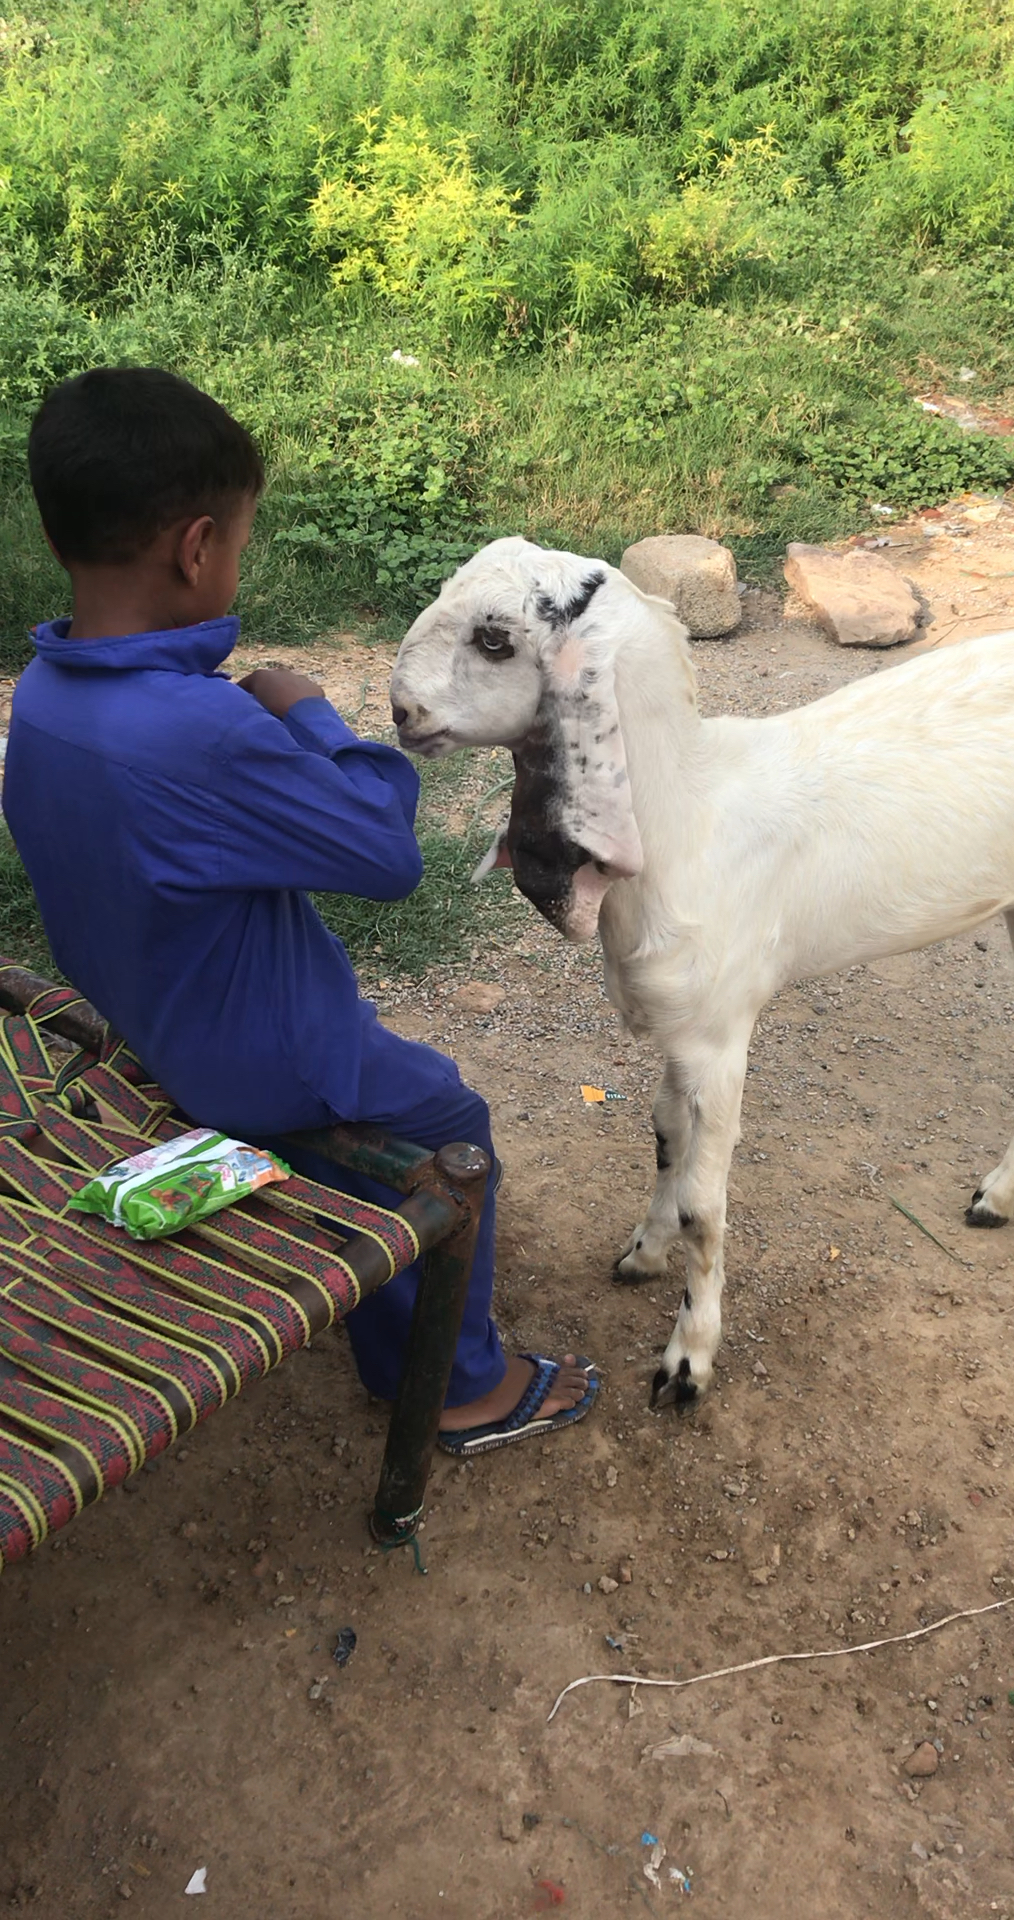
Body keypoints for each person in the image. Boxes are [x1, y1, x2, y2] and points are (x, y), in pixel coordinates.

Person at [3, 366, 598, 1455]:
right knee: (447, 1122)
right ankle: (460, 1388)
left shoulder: (42, 701)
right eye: (237, 541)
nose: (234, 562)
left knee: (381, 1118)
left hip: (140, 1020)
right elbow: (383, 854)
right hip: (255, 1064)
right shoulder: (198, 730)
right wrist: (315, 715)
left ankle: (350, 1252)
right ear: (194, 548)